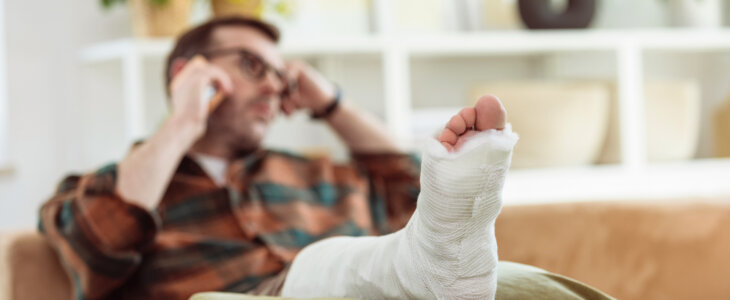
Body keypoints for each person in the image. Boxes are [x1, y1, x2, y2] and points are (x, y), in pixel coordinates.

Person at [38, 17, 609, 300]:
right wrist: (185, 120)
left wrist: (330, 102)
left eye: (282, 74)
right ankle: (425, 270)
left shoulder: (317, 171)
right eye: (252, 66)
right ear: (190, 74)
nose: (273, 86)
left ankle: (433, 270)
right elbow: (98, 250)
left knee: (518, 288)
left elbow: (415, 191)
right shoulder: (103, 189)